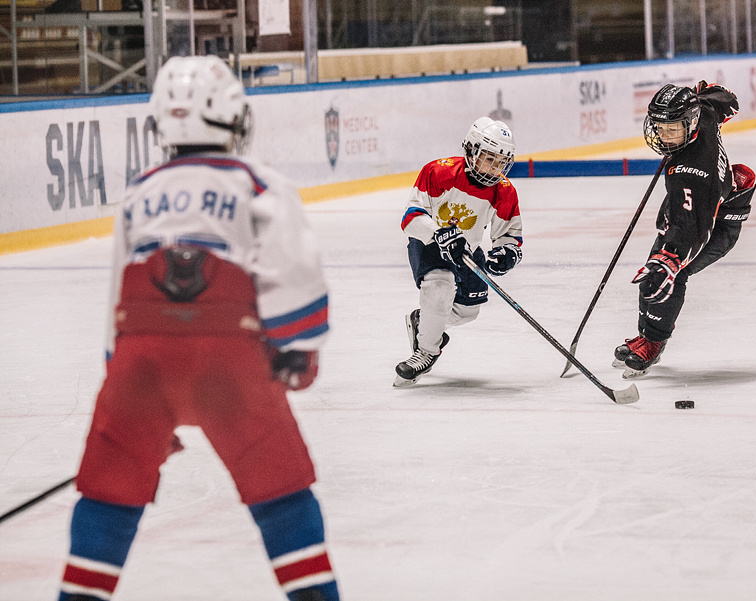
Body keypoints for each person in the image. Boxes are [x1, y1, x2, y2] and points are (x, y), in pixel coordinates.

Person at [58, 56, 339, 601]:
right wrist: (297, 347)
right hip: (227, 357)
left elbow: (121, 295)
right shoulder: (255, 182)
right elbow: (290, 264)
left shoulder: (139, 191)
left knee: (110, 490)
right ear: (232, 115)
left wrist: (128, 391)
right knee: (280, 488)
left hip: (140, 359)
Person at [614, 81, 756, 378]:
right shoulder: (702, 111)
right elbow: (724, 97)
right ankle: (647, 335)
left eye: (672, 129)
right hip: (703, 207)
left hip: (716, 225)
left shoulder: (692, 174)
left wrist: (672, 259)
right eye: (660, 127)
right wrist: (704, 92)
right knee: (654, 271)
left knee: (664, 276)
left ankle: (653, 343)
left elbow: (695, 229)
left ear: (690, 124)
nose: (664, 136)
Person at [394, 117, 523, 386]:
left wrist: (506, 253)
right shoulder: (438, 172)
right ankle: (426, 351)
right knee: (439, 285)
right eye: (490, 158)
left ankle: (424, 321)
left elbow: (509, 235)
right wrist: (438, 233)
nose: (495, 168)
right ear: (471, 150)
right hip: (430, 241)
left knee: (468, 310)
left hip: (467, 249)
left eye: (501, 162)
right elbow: (411, 217)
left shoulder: (504, 191)